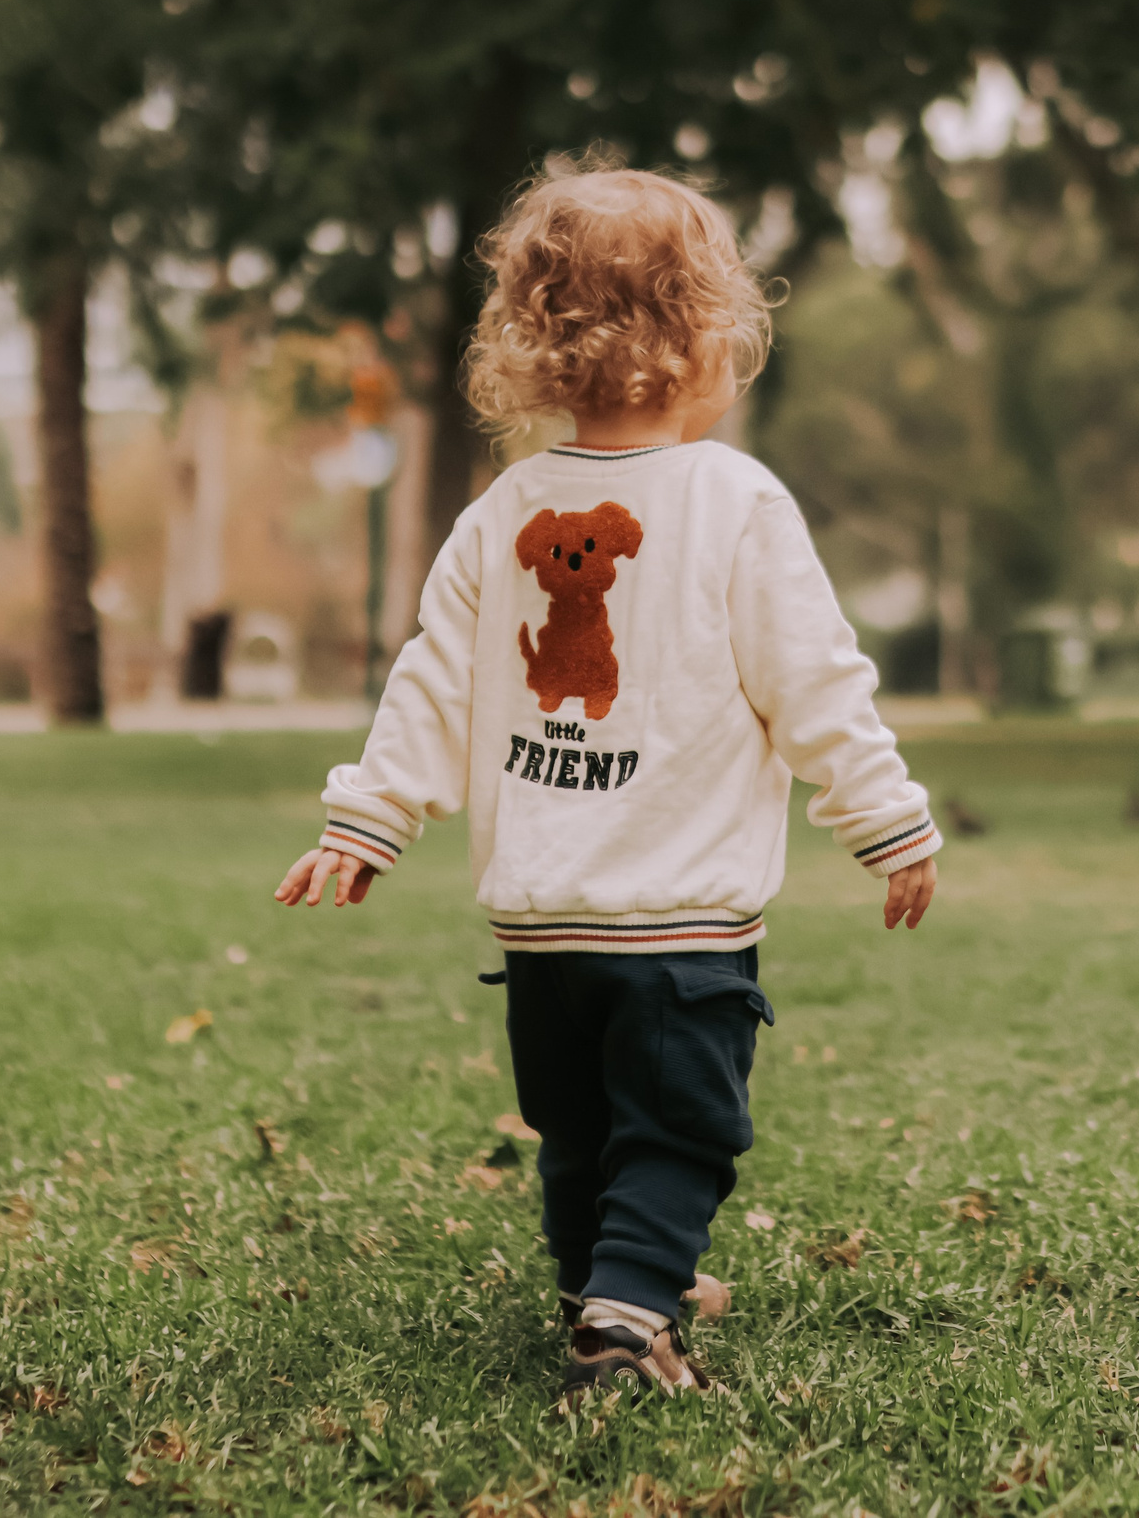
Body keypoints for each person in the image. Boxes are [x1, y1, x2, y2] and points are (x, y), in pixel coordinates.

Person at [273, 163, 942, 1398]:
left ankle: (612, 1289)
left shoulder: (503, 509)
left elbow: (433, 681)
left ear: (529, 341)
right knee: (682, 1128)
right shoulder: (737, 501)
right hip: (681, 922)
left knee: (579, 1134)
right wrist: (887, 820)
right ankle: (631, 1317)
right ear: (710, 336)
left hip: (542, 919)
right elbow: (815, 681)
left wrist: (367, 822)